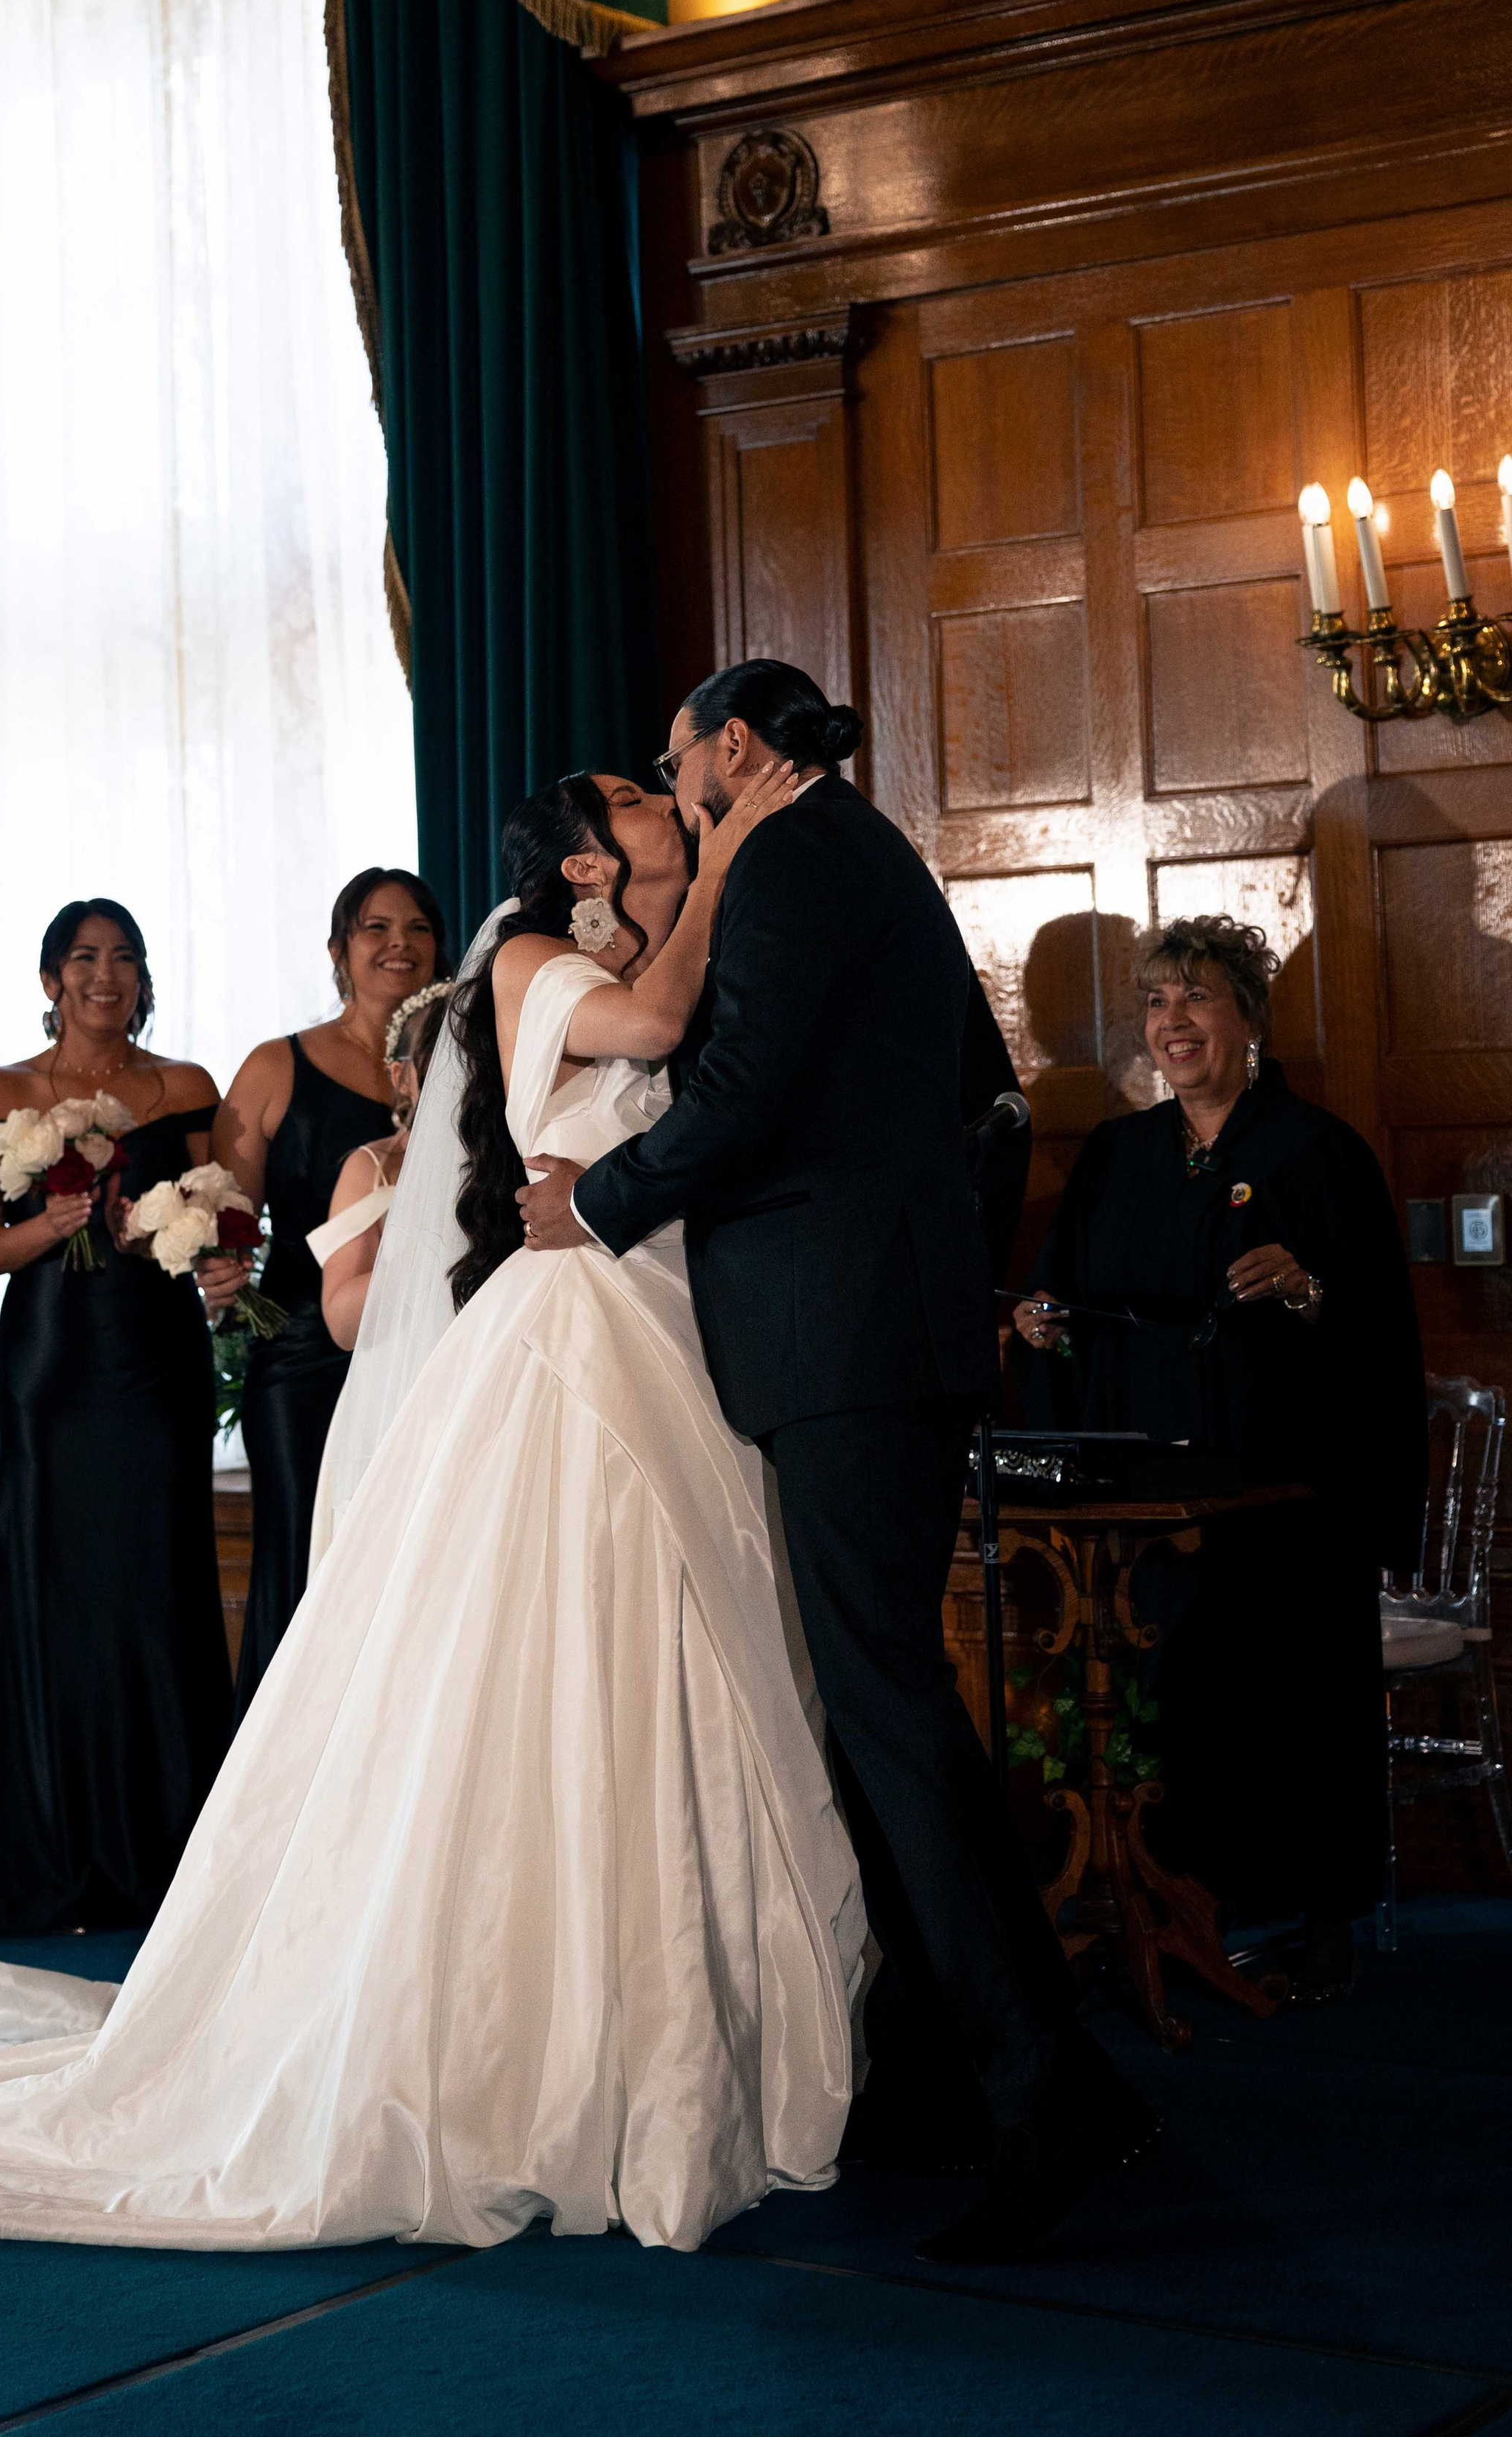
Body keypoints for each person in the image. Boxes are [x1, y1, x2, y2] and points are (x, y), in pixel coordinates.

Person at [0, 758, 867, 2259]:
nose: (669, 799)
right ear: (585, 865)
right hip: (115, 1357)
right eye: (640, 797)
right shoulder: (531, 967)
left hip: (597, 1332)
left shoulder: (290, 1057)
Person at [518, 659, 1153, 2266]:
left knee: (887, 1714)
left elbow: (737, 1097)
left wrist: (588, 1206)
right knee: (889, 1711)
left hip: (844, 1346)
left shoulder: (796, 857)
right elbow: (974, 1099)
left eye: (676, 767)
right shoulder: (858, 850)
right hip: (873, 1330)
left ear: (734, 748)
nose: (670, 796)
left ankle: (1037, 2098)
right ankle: (1012, 2074)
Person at [1015, 913, 1425, 2003]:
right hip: (1149, 1489)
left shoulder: (1315, 1151)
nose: (1174, 1021)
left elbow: (1376, 1322)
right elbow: (1064, 1295)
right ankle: (1183, 1903)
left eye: (1197, 997)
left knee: (1298, 1700)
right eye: (1156, 1002)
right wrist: (1042, 1322)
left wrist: (1305, 1286)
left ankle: (1323, 1917)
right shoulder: (1116, 1155)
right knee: (1166, 1694)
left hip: (1282, 1485)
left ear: (1247, 1016)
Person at [0, 900, 245, 1936]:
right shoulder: (1, 1092)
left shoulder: (186, 1087)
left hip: (156, 1357)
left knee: (157, 1575)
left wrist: (200, 1256)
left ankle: (167, 1848)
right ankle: (52, 1839)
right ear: (52, 977)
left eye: (125, 959)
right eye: (85, 959)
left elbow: (222, 1218)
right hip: (54, 1357)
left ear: (145, 979)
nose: (106, 975)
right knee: (56, 1576)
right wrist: (53, 1225)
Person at [214, 869, 447, 1705]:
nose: (398, 944)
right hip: (305, 1358)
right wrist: (216, 1266)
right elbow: (226, 1215)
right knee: (304, 1558)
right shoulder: (279, 1065)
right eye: (375, 927)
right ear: (339, 950)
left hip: (427, 1352)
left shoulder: (468, 1064)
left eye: (417, 928)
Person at [314, 981, 452, 1355]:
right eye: (440, 1061)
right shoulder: (372, 1168)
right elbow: (341, 1322)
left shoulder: (520, 1150)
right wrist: (436, 1250)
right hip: (409, 1364)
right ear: (401, 1077)